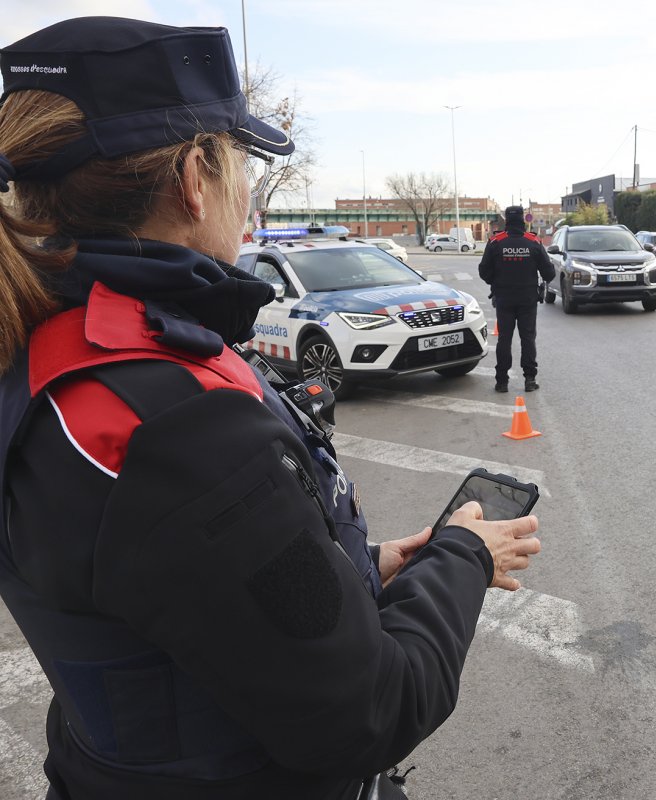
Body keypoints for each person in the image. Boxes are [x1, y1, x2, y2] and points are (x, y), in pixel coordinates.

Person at [0, 17, 541, 800]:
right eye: (240, 163)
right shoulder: (170, 419)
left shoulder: (45, 346)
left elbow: (176, 595)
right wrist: (466, 554)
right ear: (195, 177)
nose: (245, 191)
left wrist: (363, 566)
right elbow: (371, 708)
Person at [478, 205, 555, 393]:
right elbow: (549, 273)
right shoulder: (533, 242)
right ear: (522, 220)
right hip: (527, 299)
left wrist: (496, 281)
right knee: (527, 338)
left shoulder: (496, 242)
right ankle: (530, 379)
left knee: (504, 339)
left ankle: (502, 382)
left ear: (506, 220)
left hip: (504, 298)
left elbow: (483, 272)